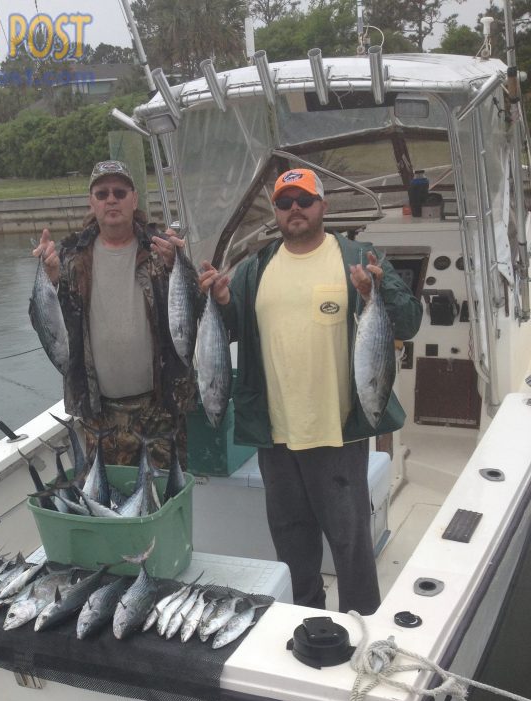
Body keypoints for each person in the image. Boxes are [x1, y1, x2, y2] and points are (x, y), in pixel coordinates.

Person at [199, 168, 422, 614]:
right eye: (284, 203)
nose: (294, 209)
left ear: (324, 206)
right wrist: (221, 301)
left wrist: (377, 289)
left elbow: (410, 320)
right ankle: (304, 615)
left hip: (336, 431)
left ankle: (361, 621)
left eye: (304, 200)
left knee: (350, 540)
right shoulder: (257, 267)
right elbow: (229, 330)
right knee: (291, 536)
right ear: (277, 213)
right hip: (277, 434)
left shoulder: (357, 256)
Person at [32, 159, 197, 469]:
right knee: (111, 506)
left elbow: (194, 311)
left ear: (134, 199)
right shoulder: (68, 256)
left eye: (120, 192)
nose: (111, 199)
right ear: (91, 201)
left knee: (165, 501)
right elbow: (46, 324)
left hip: (160, 409)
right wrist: (50, 278)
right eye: (102, 192)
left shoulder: (162, 251)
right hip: (100, 411)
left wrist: (180, 266)